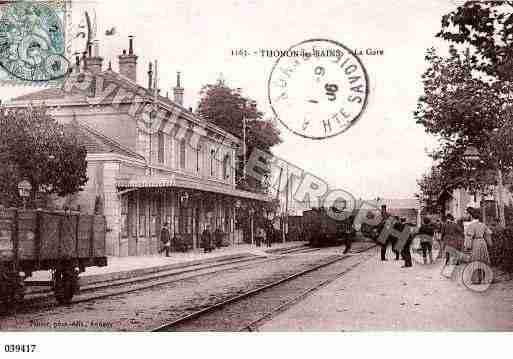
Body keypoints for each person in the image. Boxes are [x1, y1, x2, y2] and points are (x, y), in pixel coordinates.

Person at [464, 208, 492, 284]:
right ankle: (485, 279)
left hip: (475, 243)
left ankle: (476, 279)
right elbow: (488, 235)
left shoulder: (471, 226)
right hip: (483, 243)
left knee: (475, 260)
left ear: (471, 216)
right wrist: (490, 244)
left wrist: (467, 247)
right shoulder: (483, 225)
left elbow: (469, 237)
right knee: (483, 260)